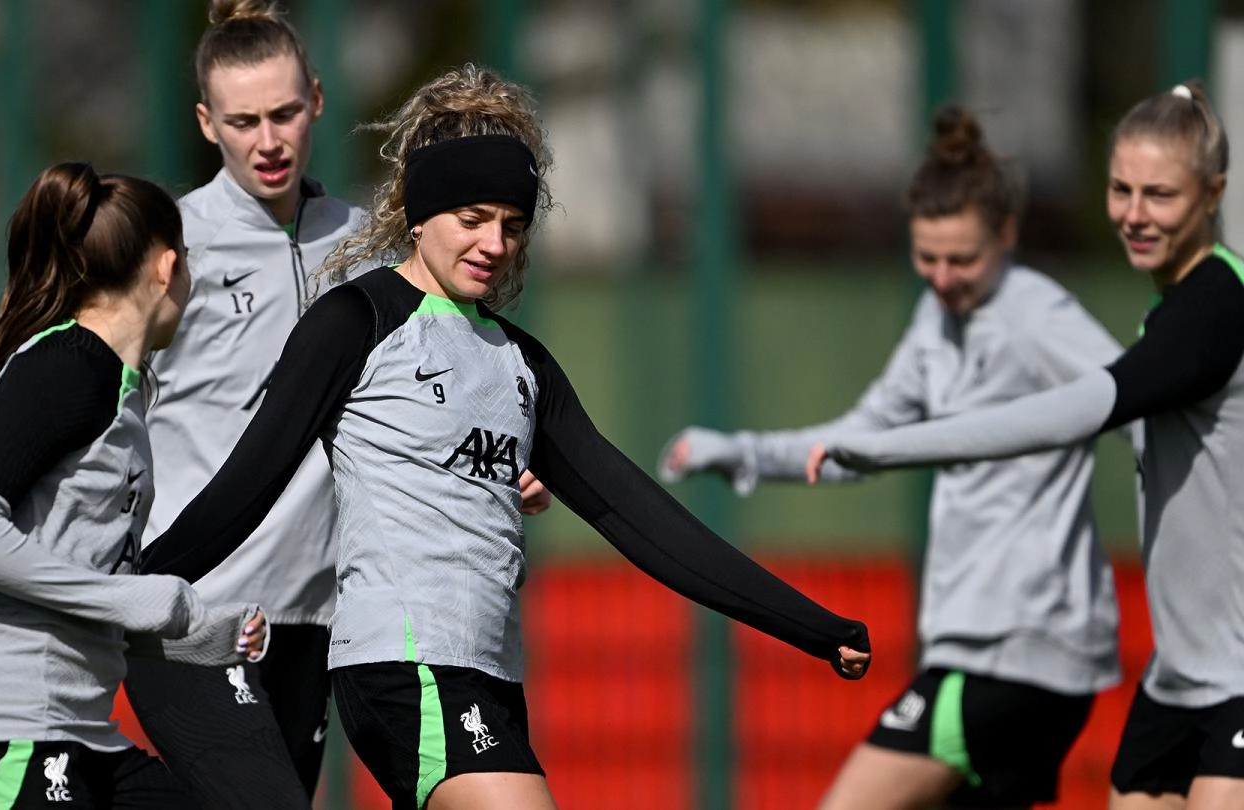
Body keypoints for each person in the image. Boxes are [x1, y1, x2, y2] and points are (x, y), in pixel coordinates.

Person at [140, 63, 871, 810]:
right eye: (472, 218)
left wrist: (809, 625)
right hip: (406, 665)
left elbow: (641, 518)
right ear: (419, 216)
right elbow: (246, 485)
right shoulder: (356, 322)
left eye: (512, 225)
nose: (495, 242)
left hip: (492, 674)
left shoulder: (522, 365)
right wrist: (120, 591)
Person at [123, 5, 551, 807]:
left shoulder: (368, 249)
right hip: (199, 610)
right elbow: (105, 404)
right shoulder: (172, 246)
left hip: (323, 618)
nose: (268, 139)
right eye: (243, 121)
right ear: (204, 122)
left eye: (283, 113)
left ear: (317, 99)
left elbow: (436, 400)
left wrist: (500, 466)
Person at [659, 105, 1123, 809]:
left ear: (1006, 235)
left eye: (961, 258)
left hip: (1012, 649)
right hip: (993, 652)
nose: (941, 276)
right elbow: (859, 440)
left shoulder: (1037, 313)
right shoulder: (937, 319)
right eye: (926, 257)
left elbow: (1138, 393)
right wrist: (742, 453)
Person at [807, 81, 1244, 810]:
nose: (1134, 216)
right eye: (1120, 189)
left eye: (1160, 196)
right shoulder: (1174, 310)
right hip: (1175, 680)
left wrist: (886, 448)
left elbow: (1065, 414)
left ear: (1213, 194)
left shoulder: (1215, 311)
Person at [0, 162, 268, 810]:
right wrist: (134, 598)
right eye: (187, 263)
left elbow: (80, 585)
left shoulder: (122, 393)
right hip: (0, 729)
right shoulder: (71, 366)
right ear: (165, 268)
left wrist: (204, 632)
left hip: (79, 736)